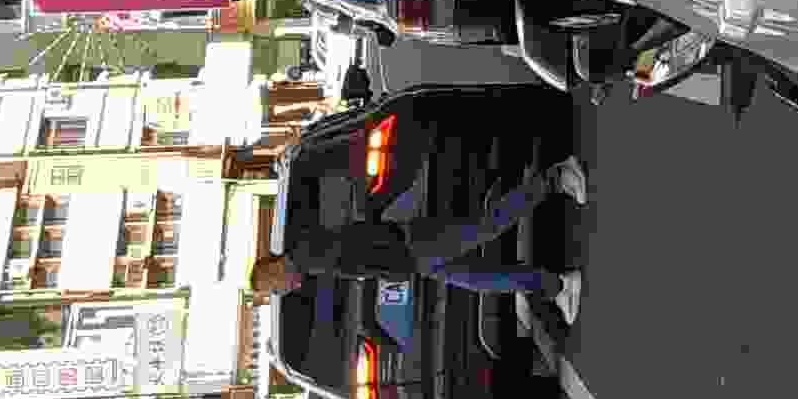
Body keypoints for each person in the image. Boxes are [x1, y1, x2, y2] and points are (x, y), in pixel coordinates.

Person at [250, 150, 587, 309]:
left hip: (410, 247)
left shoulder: (308, 255)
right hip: (410, 257)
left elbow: (356, 244)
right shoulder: (308, 259)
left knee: (487, 227)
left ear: (275, 269)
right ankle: (555, 284)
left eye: (273, 287)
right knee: (483, 276)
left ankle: (557, 177)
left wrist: (386, 265)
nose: (280, 291)